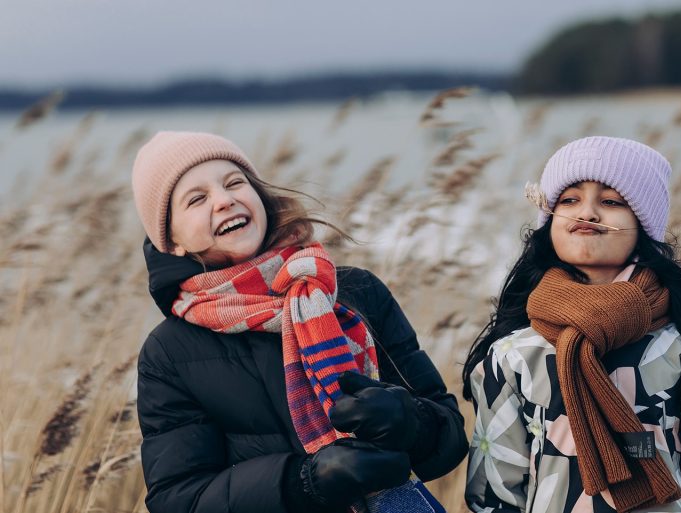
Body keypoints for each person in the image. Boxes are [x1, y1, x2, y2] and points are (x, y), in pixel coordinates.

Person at [131, 131, 467, 513]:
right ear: (172, 242)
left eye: (234, 182)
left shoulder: (355, 291)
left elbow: (450, 440)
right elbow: (178, 499)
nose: (224, 200)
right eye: (197, 199)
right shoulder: (169, 353)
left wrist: (409, 423)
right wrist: (303, 482)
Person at [462, 136, 681, 513]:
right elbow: (494, 495)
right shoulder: (513, 355)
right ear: (549, 219)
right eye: (569, 200)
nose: (587, 213)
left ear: (643, 222)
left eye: (611, 202)